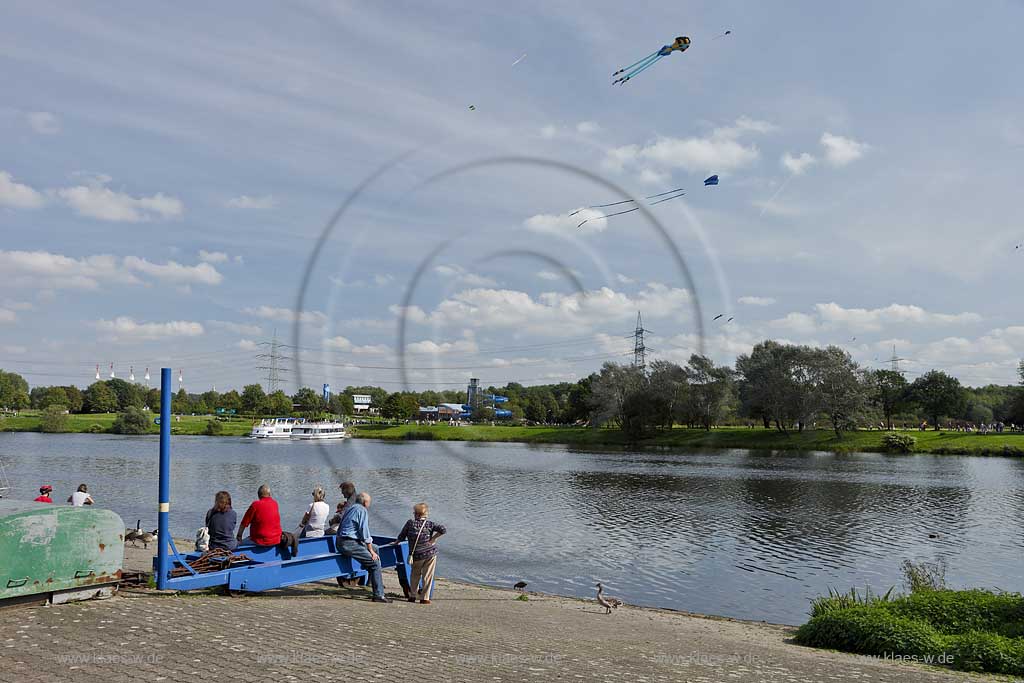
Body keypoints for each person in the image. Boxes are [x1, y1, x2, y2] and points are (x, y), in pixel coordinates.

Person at [336, 492, 389, 603]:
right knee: (375, 562)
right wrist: (370, 551)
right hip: (348, 543)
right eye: (369, 502)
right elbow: (364, 532)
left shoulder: (351, 508)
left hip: (341, 540)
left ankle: (371, 581)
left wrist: (372, 549)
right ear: (365, 502)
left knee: (376, 548)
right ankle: (378, 595)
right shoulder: (362, 510)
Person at [397, 502, 447, 605]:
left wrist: (396, 542)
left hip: (417, 554)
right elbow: (443, 529)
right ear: (425, 514)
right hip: (430, 553)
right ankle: (425, 598)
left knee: (415, 575)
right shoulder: (430, 524)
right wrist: (433, 538)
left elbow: (401, 536)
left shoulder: (410, 523)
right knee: (427, 575)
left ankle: (412, 596)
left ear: (416, 514)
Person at [236, 484, 298, 556]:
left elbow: (244, 523)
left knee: (239, 545)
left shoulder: (255, 505)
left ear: (258, 495)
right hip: (276, 539)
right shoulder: (275, 503)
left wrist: (239, 536)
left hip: (260, 540)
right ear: (269, 494)